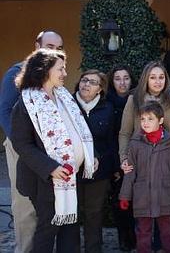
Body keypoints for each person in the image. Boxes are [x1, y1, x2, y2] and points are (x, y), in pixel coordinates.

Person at [11, 49, 97, 252]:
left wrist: (88, 156)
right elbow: (21, 144)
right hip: (44, 180)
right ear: (44, 70)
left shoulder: (64, 97)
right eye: (60, 69)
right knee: (48, 229)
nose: (65, 73)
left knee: (70, 227)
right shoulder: (26, 103)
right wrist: (50, 168)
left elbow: (78, 130)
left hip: (70, 177)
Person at [0, 30, 62, 253]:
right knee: (25, 204)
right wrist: (22, 146)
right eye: (49, 46)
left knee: (46, 203)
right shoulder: (16, 73)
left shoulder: (54, 78)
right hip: (22, 148)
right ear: (37, 45)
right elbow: (5, 111)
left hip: (47, 151)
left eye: (57, 47)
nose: (53, 51)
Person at [119, 101, 170, 253]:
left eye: (150, 119)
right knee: (143, 230)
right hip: (142, 195)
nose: (145, 122)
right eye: (143, 119)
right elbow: (130, 171)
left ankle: (169, 250)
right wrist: (125, 196)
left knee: (166, 229)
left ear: (161, 120)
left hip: (164, 193)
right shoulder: (135, 143)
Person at [118, 61, 170, 173]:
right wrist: (124, 157)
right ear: (146, 79)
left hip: (168, 158)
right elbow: (125, 133)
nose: (158, 81)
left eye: (161, 77)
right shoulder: (133, 100)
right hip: (140, 159)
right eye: (153, 77)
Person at [74, 70, 117, 253]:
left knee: (94, 213)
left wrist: (112, 166)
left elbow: (112, 140)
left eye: (92, 82)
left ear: (100, 89)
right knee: (71, 213)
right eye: (84, 80)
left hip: (98, 172)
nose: (86, 84)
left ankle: (93, 249)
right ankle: (71, 248)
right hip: (72, 170)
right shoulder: (67, 104)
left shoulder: (107, 108)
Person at [106, 65, 136, 252]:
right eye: (118, 78)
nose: (122, 82)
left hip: (136, 157)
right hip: (115, 159)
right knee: (120, 201)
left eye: (126, 78)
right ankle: (124, 238)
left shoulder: (138, 101)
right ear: (112, 81)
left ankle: (136, 236)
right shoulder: (106, 102)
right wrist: (116, 165)